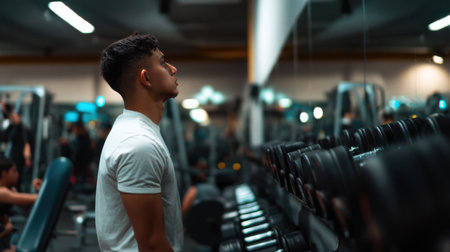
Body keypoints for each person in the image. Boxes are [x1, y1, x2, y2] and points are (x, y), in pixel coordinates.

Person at [95, 33, 183, 252]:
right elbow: (152, 245)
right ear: (146, 78)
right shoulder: (138, 144)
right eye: (163, 63)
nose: (173, 69)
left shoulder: (133, 129)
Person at [0, 158, 42, 252]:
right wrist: (42, 188)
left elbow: (25, 206)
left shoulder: (10, 190)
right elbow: (37, 199)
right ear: (4, 173)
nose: (17, 174)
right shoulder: (2, 192)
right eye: (14, 171)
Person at [0, 103, 32, 192]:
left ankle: (17, 191)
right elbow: (4, 137)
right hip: (13, 155)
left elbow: (27, 144)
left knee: (18, 176)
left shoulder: (22, 128)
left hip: (19, 157)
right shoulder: (11, 127)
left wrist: (27, 157)